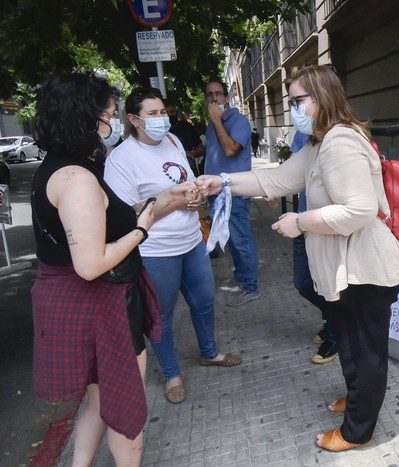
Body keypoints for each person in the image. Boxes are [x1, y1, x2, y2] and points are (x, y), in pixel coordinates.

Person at [197, 65, 399, 452]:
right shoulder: (317, 145)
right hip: (346, 270)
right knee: (348, 341)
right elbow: (273, 180)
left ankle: (358, 431)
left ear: (323, 98)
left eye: (298, 101)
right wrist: (222, 182)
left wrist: (302, 222)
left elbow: (358, 211)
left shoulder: (340, 143)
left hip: (366, 269)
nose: (292, 109)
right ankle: (358, 397)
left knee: (365, 350)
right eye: (290, 101)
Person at [30, 72, 160, 465]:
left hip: (86, 302)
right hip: (101, 305)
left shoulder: (59, 166)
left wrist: (150, 207)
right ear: (84, 119)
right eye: (108, 115)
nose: (112, 123)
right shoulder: (76, 179)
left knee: (100, 400)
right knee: (124, 410)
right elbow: (89, 264)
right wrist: (142, 228)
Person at [104, 88, 242, 405]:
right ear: (133, 119)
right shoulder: (122, 160)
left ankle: (209, 353)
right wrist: (175, 202)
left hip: (192, 242)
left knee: (205, 300)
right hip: (155, 252)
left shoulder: (174, 141)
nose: (161, 119)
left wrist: (195, 197)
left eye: (163, 112)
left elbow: (187, 182)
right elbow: (126, 216)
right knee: (160, 316)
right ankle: (171, 374)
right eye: (152, 114)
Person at [204, 79, 260, 305]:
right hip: (216, 193)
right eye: (210, 95)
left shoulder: (238, 121)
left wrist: (217, 120)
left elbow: (229, 149)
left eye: (218, 94)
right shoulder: (211, 125)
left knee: (241, 240)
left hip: (234, 194)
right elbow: (213, 150)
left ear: (226, 98)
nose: (214, 98)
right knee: (229, 241)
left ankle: (251, 287)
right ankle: (242, 276)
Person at [288, 131, 338, 364]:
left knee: (331, 286)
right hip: (303, 220)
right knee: (304, 283)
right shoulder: (302, 134)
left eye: (301, 100)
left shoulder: (340, 135)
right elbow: (290, 171)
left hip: (326, 224)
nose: (297, 107)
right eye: (293, 101)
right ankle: (334, 319)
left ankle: (337, 334)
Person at [165, 101, 205, 175]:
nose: (170, 114)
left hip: (190, 169)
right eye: (166, 112)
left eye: (172, 111)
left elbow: (201, 148)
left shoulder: (186, 127)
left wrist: (193, 153)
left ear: (176, 112)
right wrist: (183, 153)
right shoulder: (160, 131)